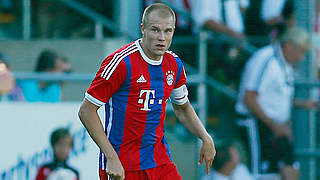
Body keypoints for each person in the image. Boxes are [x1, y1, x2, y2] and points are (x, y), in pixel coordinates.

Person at [78, 3, 216, 180]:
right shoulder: (121, 62)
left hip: (159, 161)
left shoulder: (174, 64)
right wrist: (111, 158)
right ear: (142, 29)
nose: (161, 37)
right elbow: (86, 111)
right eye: (155, 30)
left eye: (167, 31)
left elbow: (182, 108)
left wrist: (205, 137)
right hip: (122, 165)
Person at [235, 27, 316, 180]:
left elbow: (274, 96)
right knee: (266, 175)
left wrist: (301, 104)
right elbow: (249, 98)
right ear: (289, 45)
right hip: (257, 124)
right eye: (301, 51)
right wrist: (274, 125)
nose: (302, 58)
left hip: (277, 126)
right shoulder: (265, 59)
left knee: (292, 170)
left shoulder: (284, 63)